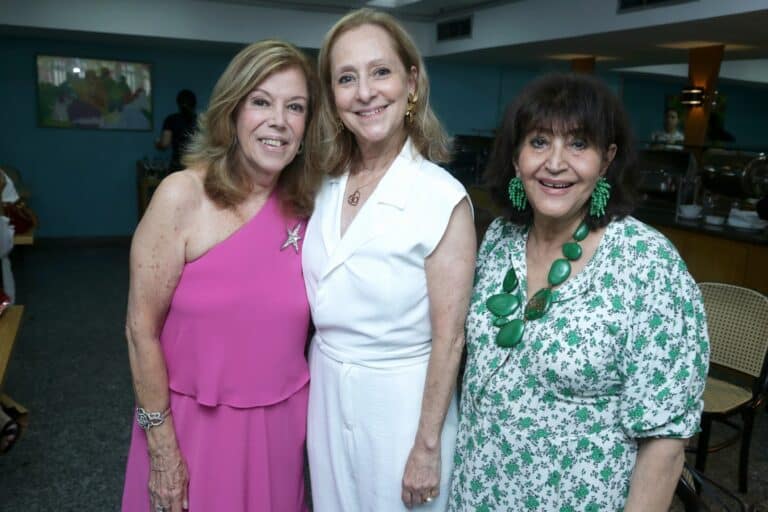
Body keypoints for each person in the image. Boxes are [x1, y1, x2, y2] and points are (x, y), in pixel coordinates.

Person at [449, 74, 709, 511]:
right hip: (479, 493)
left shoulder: (646, 264)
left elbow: (664, 443)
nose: (555, 163)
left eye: (578, 144)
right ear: (515, 157)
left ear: (606, 160)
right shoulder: (499, 239)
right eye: (538, 142)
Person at [122, 40, 318, 512]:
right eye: (261, 102)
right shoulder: (181, 196)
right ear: (232, 112)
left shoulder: (312, 207)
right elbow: (139, 331)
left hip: (280, 428)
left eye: (295, 107)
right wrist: (163, 448)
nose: (279, 121)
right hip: (192, 429)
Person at [302, 8, 476, 511]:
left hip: (402, 404)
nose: (365, 92)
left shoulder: (441, 198)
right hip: (328, 391)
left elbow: (450, 337)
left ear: (411, 82)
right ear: (333, 98)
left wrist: (426, 446)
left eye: (380, 71)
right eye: (346, 78)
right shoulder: (323, 184)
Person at [155, 89, 198, 172]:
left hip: (178, 164)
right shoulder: (201, 121)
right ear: (194, 104)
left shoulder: (171, 119)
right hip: (196, 164)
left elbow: (165, 144)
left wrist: (157, 143)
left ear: (178, 104)